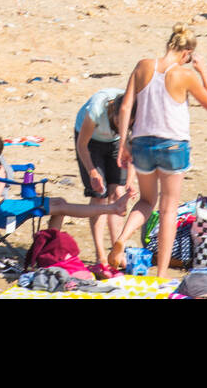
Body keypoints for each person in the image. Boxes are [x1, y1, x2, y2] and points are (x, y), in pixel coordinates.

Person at [109, 24, 207, 279]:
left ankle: (122, 238)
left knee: (147, 201)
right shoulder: (185, 74)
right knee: (169, 209)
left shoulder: (143, 65)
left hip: (142, 143)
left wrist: (123, 143)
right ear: (187, 53)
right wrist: (203, 72)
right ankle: (160, 274)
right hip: (173, 145)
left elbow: (125, 108)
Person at [0, 132, 128, 244]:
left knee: (60, 204)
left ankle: (47, 246)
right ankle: (112, 208)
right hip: (3, 210)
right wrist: (0, 182)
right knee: (62, 207)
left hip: (7, 205)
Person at [74, 88, 133, 276]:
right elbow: (81, 145)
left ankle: (116, 251)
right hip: (90, 142)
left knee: (118, 193)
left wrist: (130, 180)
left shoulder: (134, 110)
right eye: (118, 122)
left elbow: (131, 149)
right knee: (99, 195)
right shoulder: (97, 109)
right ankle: (100, 256)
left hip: (116, 143)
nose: (120, 126)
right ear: (113, 113)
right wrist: (92, 172)